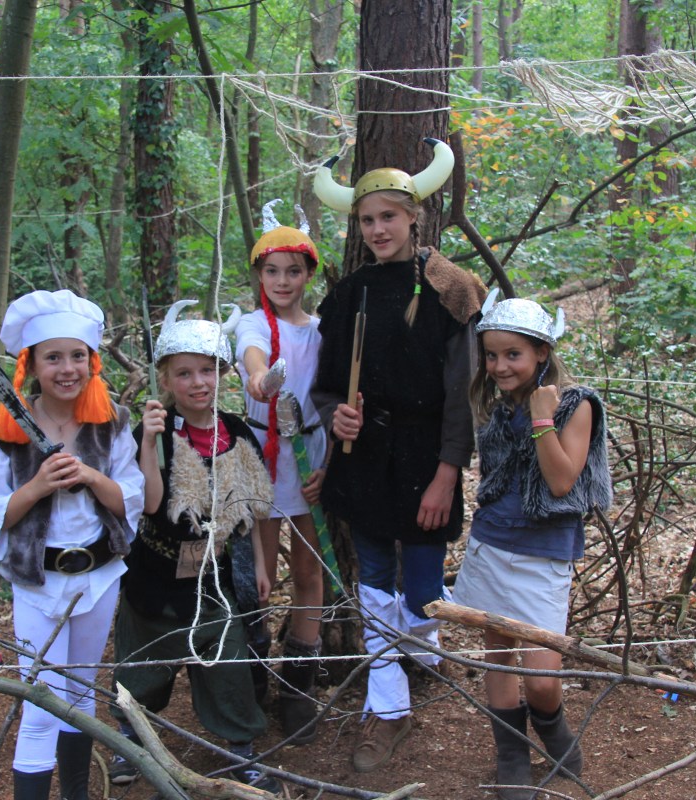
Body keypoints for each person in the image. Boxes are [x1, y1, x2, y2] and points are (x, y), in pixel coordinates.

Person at [311, 138, 487, 773]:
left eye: (389, 216)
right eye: (367, 219)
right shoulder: (349, 295)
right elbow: (325, 387)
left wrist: (447, 473)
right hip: (363, 457)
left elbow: (464, 394)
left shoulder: (453, 289)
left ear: (415, 216)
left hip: (426, 457)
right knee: (375, 579)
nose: (378, 229)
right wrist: (337, 414)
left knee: (422, 589)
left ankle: (419, 657)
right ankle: (388, 705)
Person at [0, 289, 145, 800]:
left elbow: (130, 499)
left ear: (92, 362)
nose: (67, 369)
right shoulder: (8, 428)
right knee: (42, 702)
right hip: (36, 580)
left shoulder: (112, 423)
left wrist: (91, 475)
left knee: (81, 694)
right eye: (53, 358)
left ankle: (75, 794)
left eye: (77, 356)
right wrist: (37, 486)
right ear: (31, 364)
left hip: (98, 576)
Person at [110, 301, 281, 794]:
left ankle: (241, 745)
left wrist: (261, 566)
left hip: (215, 576)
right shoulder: (153, 431)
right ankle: (131, 734)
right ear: (165, 379)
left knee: (227, 661)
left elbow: (252, 509)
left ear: (222, 373)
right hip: (156, 572)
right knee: (142, 661)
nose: (198, 382)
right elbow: (150, 504)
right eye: (184, 373)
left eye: (207, 371)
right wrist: (149, 443)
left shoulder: (237, 432)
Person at [453, 293, 611, 799]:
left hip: (545, 554)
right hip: (491, 545)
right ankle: (511, 755)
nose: (500, 366)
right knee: (498, 658)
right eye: (491, 355)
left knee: (542, 678)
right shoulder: (495, 408)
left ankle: (554, 730)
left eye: (513, 354)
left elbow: (562, 482)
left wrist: (543, 419)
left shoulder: (576, 405)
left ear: (542, 352)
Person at [235, 199, 328, 744]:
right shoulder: (251, 324)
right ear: (259, 275)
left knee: (310, 571)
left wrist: (329, 464)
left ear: (308, 274)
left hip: (310, 452)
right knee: (261, 573)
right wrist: (260, 380)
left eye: (293, 270)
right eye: (272, 271)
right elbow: (253, 360)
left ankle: (299, 686)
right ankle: (251, 677)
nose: (283, 281)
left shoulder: (320, 330)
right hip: (263, 456)